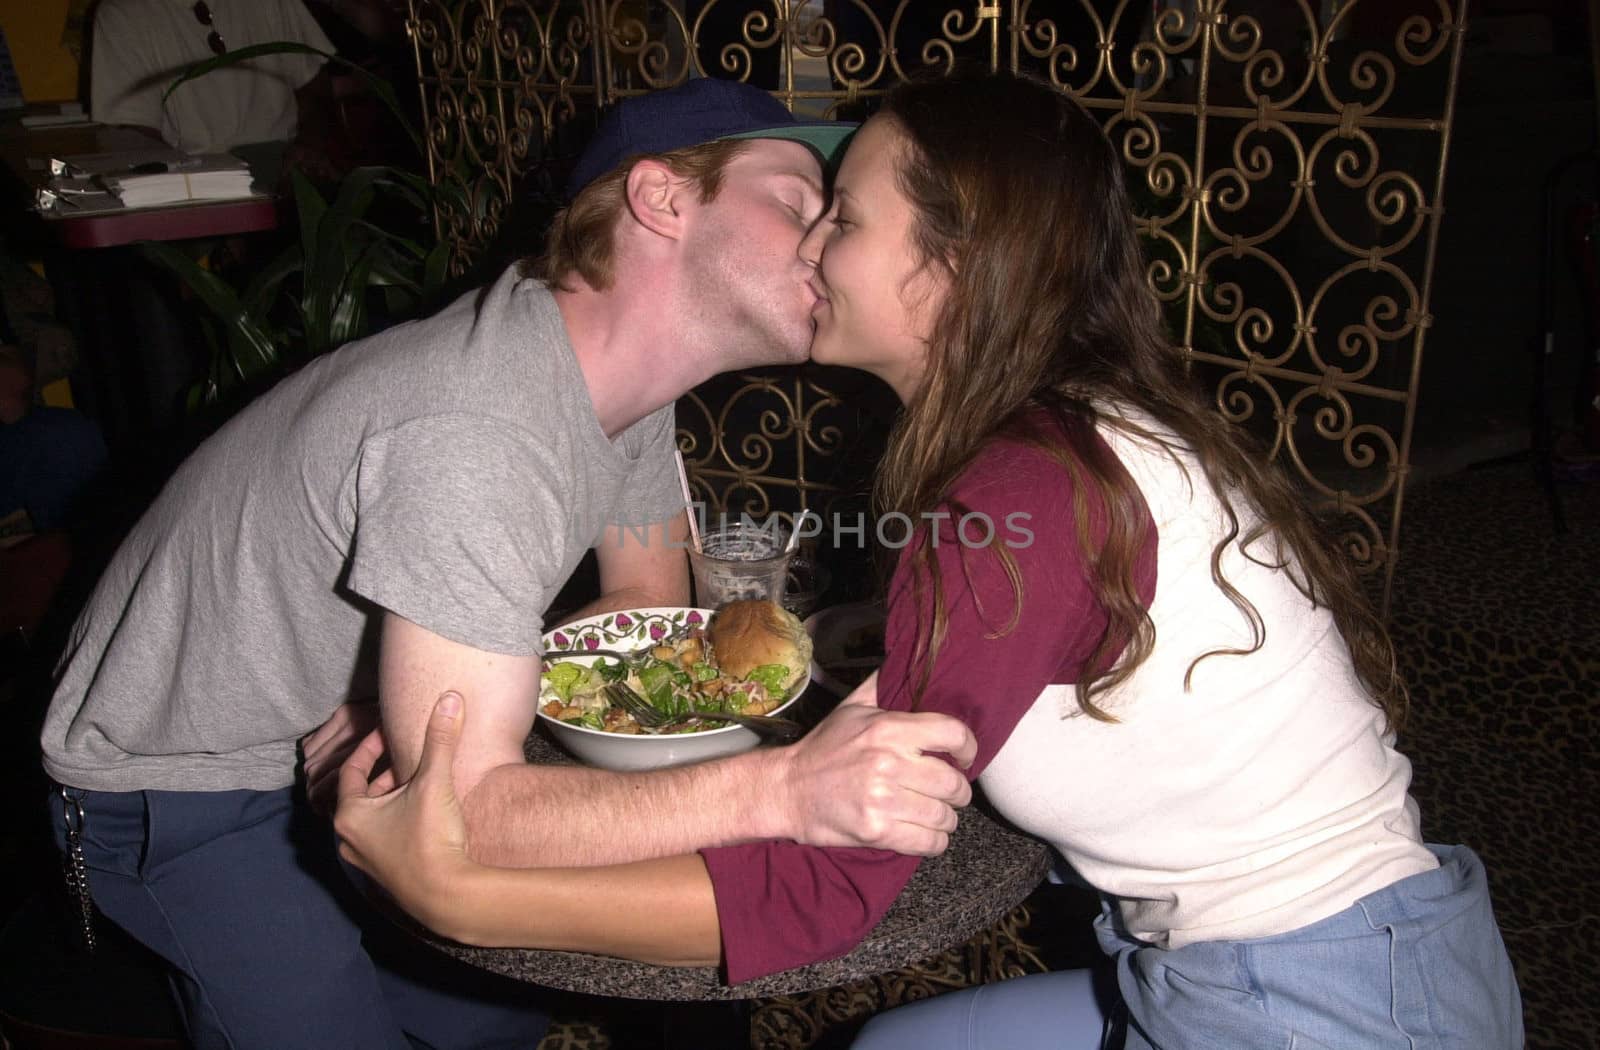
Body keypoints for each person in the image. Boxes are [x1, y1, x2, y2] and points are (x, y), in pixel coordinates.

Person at [335, 69, 1524, 1049]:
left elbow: (826, 896)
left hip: (1322, 1005)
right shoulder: (1080, 425)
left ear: (953, 264)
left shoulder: (1018, 489)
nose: (812, 244)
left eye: (841, 215)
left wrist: (457, 891)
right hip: (1312, 956)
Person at [38, 77, 978, 1050]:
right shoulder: (476, 421)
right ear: (659, 199)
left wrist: (422, 688)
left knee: (496, 1011)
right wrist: (783, 788)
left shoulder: (618, 383)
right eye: (794, 203)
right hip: (175, 780)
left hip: (325, 735)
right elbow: (469, 810)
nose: (826, 244)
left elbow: (641, 607)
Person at [89, 0, 335, 169]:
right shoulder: (123, 13)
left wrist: (308, 147)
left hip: (288, 167)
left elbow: (316, 88)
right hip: (197, 182)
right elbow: (133, 132)